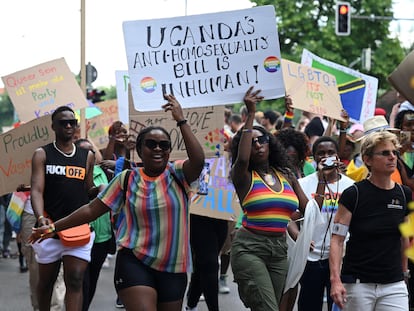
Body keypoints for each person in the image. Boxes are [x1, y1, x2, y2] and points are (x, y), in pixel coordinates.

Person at [30, 94, 205, 311]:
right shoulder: (126, 179)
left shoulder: (179, 175)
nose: (158, 148)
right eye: (151, 144)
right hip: (134, 261)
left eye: (164, 145)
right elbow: (91, 210)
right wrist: (52, 227)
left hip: (173, 268)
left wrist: (181, 120)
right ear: (140, 151)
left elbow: (198, 160)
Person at [230, 86, 308, 311]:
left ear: (270, 143)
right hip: (250, 248)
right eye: (251, 142)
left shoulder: (286, 175)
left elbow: (307, 208)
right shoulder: (243, 175)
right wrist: (252, 114)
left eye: (261, 139)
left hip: (279, 250)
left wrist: (324, 180)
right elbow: (243, 159)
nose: (257, 144)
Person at [330, 130, 410, 310]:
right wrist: (336, 280)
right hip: (358, 284)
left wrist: (404, 273)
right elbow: (337, 239)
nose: (392, 157)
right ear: (367, 159)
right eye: (385, 153)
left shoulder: (404, 194)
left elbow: (404, 238)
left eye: (394, 152)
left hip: (394, 284)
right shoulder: (354, 194)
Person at [30, 106, 97, 311]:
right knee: (46, 282)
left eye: (72, 122)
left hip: (78, 229)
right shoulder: (42, 154)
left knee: (75, 279)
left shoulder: (87, 156)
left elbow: (88, 188)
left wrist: (101, 189)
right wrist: (41, 217)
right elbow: (36, 190)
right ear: (53, 126)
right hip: (49, 229)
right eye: (62, 122)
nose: (68, 126)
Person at [294, 136, 354, 311]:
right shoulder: (303, 184)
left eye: (330, 152)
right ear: (313, 158)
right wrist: (299, 236)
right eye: (320, 153)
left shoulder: (352, 186)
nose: (325, 156)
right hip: (311, 257)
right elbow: (292, 217)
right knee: (309, 305)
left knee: (339, 305)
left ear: (337, 156)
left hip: (341, 258)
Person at [74, 138, 112, 311]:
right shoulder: (70, 174)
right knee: (82, 280)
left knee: (93, 277)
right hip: (81, 236)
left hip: (102, 237)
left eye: (92, 150)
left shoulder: (103, 172)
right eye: (84, 151)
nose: (89, 154)